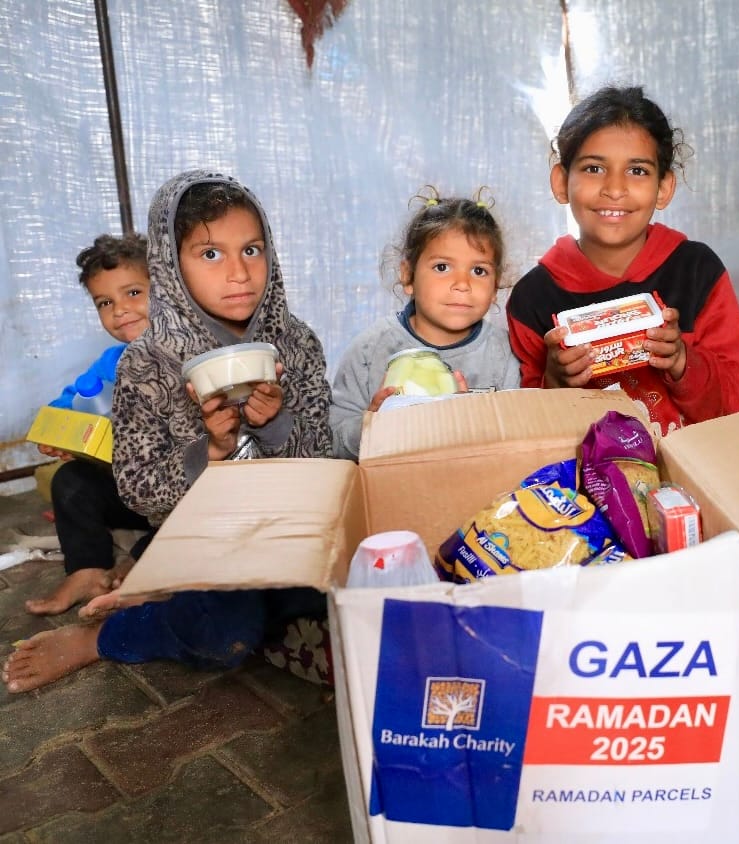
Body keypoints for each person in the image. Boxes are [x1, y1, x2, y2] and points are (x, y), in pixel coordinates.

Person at [4, 169, 333, 694]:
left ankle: (163, 592)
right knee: (226, 632)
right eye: (211, 254)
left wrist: (274, 425)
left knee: (336, 585)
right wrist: (213, 450)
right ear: (169, 266)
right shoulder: (146, 363)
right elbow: (137, 489)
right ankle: (105, 635)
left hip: (282, 527)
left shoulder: (296, 343)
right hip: (197, 534)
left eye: (251, 250)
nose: (239, 273)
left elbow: (323, 454)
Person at [506, 85, 739, 436]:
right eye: (594, 168)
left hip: (693, 464)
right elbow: (528, 429)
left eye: (637, 171)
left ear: (664, 188)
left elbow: (736, 401)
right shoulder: (532, 298)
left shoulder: (697, 270)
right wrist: (556, 380)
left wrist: (682, 361)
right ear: (561, 182)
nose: (615, 188)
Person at [330, 188, 519, 461]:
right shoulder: (369, 352)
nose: (462, 284)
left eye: (479, 271)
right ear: (408, 276)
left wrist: (471, 424)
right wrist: (372, 427)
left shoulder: (503, 354)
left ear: (496, 286)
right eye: (442, 267)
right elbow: (333, 441)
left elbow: (517, 440)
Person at [27, 234, 156, 616]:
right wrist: (61, 432)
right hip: (130, 491)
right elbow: (68, 402)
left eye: (133, 293)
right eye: (105, 302)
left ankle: (142, 561)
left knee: (206, 509)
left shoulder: (188, 354)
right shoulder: (111, 362)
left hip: (178, 494)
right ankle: (86, 569)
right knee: (70, 481)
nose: (120, 310)